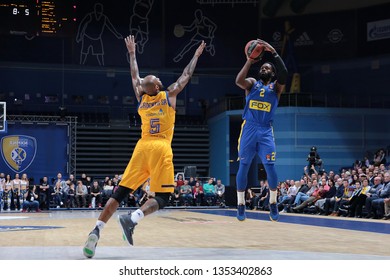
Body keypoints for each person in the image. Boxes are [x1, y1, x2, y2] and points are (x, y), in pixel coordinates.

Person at [83, 35, 205, 258]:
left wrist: (132, 53)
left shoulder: (141, 98)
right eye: (156, 78)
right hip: (160, 148)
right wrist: (195, 56)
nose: (157, 77)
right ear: (157, 86)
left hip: (141, 148)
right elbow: (186, 75)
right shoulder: (169, 95)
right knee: (164, 197)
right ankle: (133, 218)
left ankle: (96, 230)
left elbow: (134, 75)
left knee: (120, 193)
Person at [235, 38, 287, 221]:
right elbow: (238, 80)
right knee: (244, 165)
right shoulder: (252, 84)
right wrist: (250, 60)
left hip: (265, 130)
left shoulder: (276, 88)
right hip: (249, 128)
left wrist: (274, 52)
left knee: (270, 167)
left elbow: (285, 73)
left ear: (273, 74)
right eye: (263, 67)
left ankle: (273, 202)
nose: (265, 69)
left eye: (268, 68)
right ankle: (241, 204)